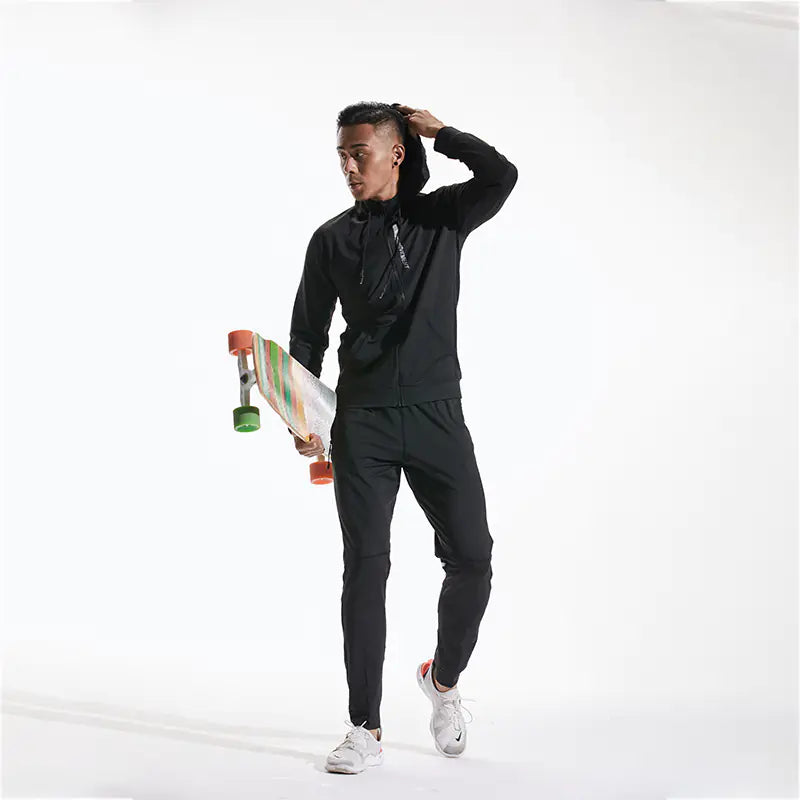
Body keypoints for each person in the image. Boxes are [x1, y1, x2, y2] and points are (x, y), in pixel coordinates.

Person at [287, 101, 518, 774]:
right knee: (365, 566)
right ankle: (364, 727)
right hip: (362, 422)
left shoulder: (442, 217)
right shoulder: (330, 240)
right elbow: (307, 335)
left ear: (394, 153)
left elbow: (501, 175)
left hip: (437, 413)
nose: (347, 166)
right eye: (341, 154)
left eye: (359, 152)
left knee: (473, 557)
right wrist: (306, 418)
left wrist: (440, 133)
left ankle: (441, 682)